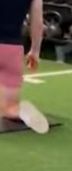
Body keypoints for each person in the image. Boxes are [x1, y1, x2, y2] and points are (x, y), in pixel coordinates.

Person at [0, 0, 49, 134]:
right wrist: (35, 51)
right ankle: (15, 110)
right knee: (9, 108)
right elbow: (37, 23)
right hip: (12, 50)